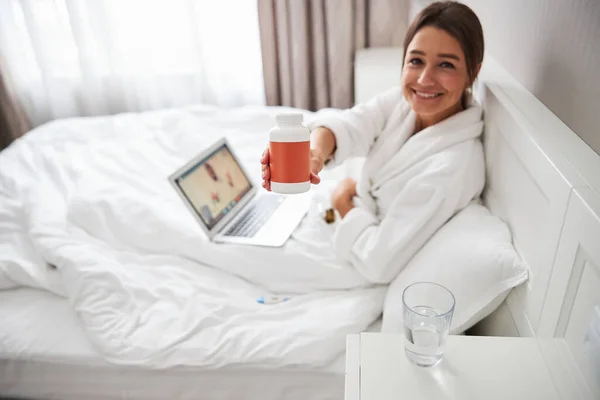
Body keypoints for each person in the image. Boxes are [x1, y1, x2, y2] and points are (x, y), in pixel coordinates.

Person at [259, 1, 486, 285]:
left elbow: (380, 262)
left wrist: (343, 203)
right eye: (415, 61)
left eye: (446, 65)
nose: (425, 79)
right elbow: (352, 124)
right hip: (344, 215)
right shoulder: (405, 106)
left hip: (357, 259)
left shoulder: (453, 168)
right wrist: (314, 154)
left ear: (472, 72)